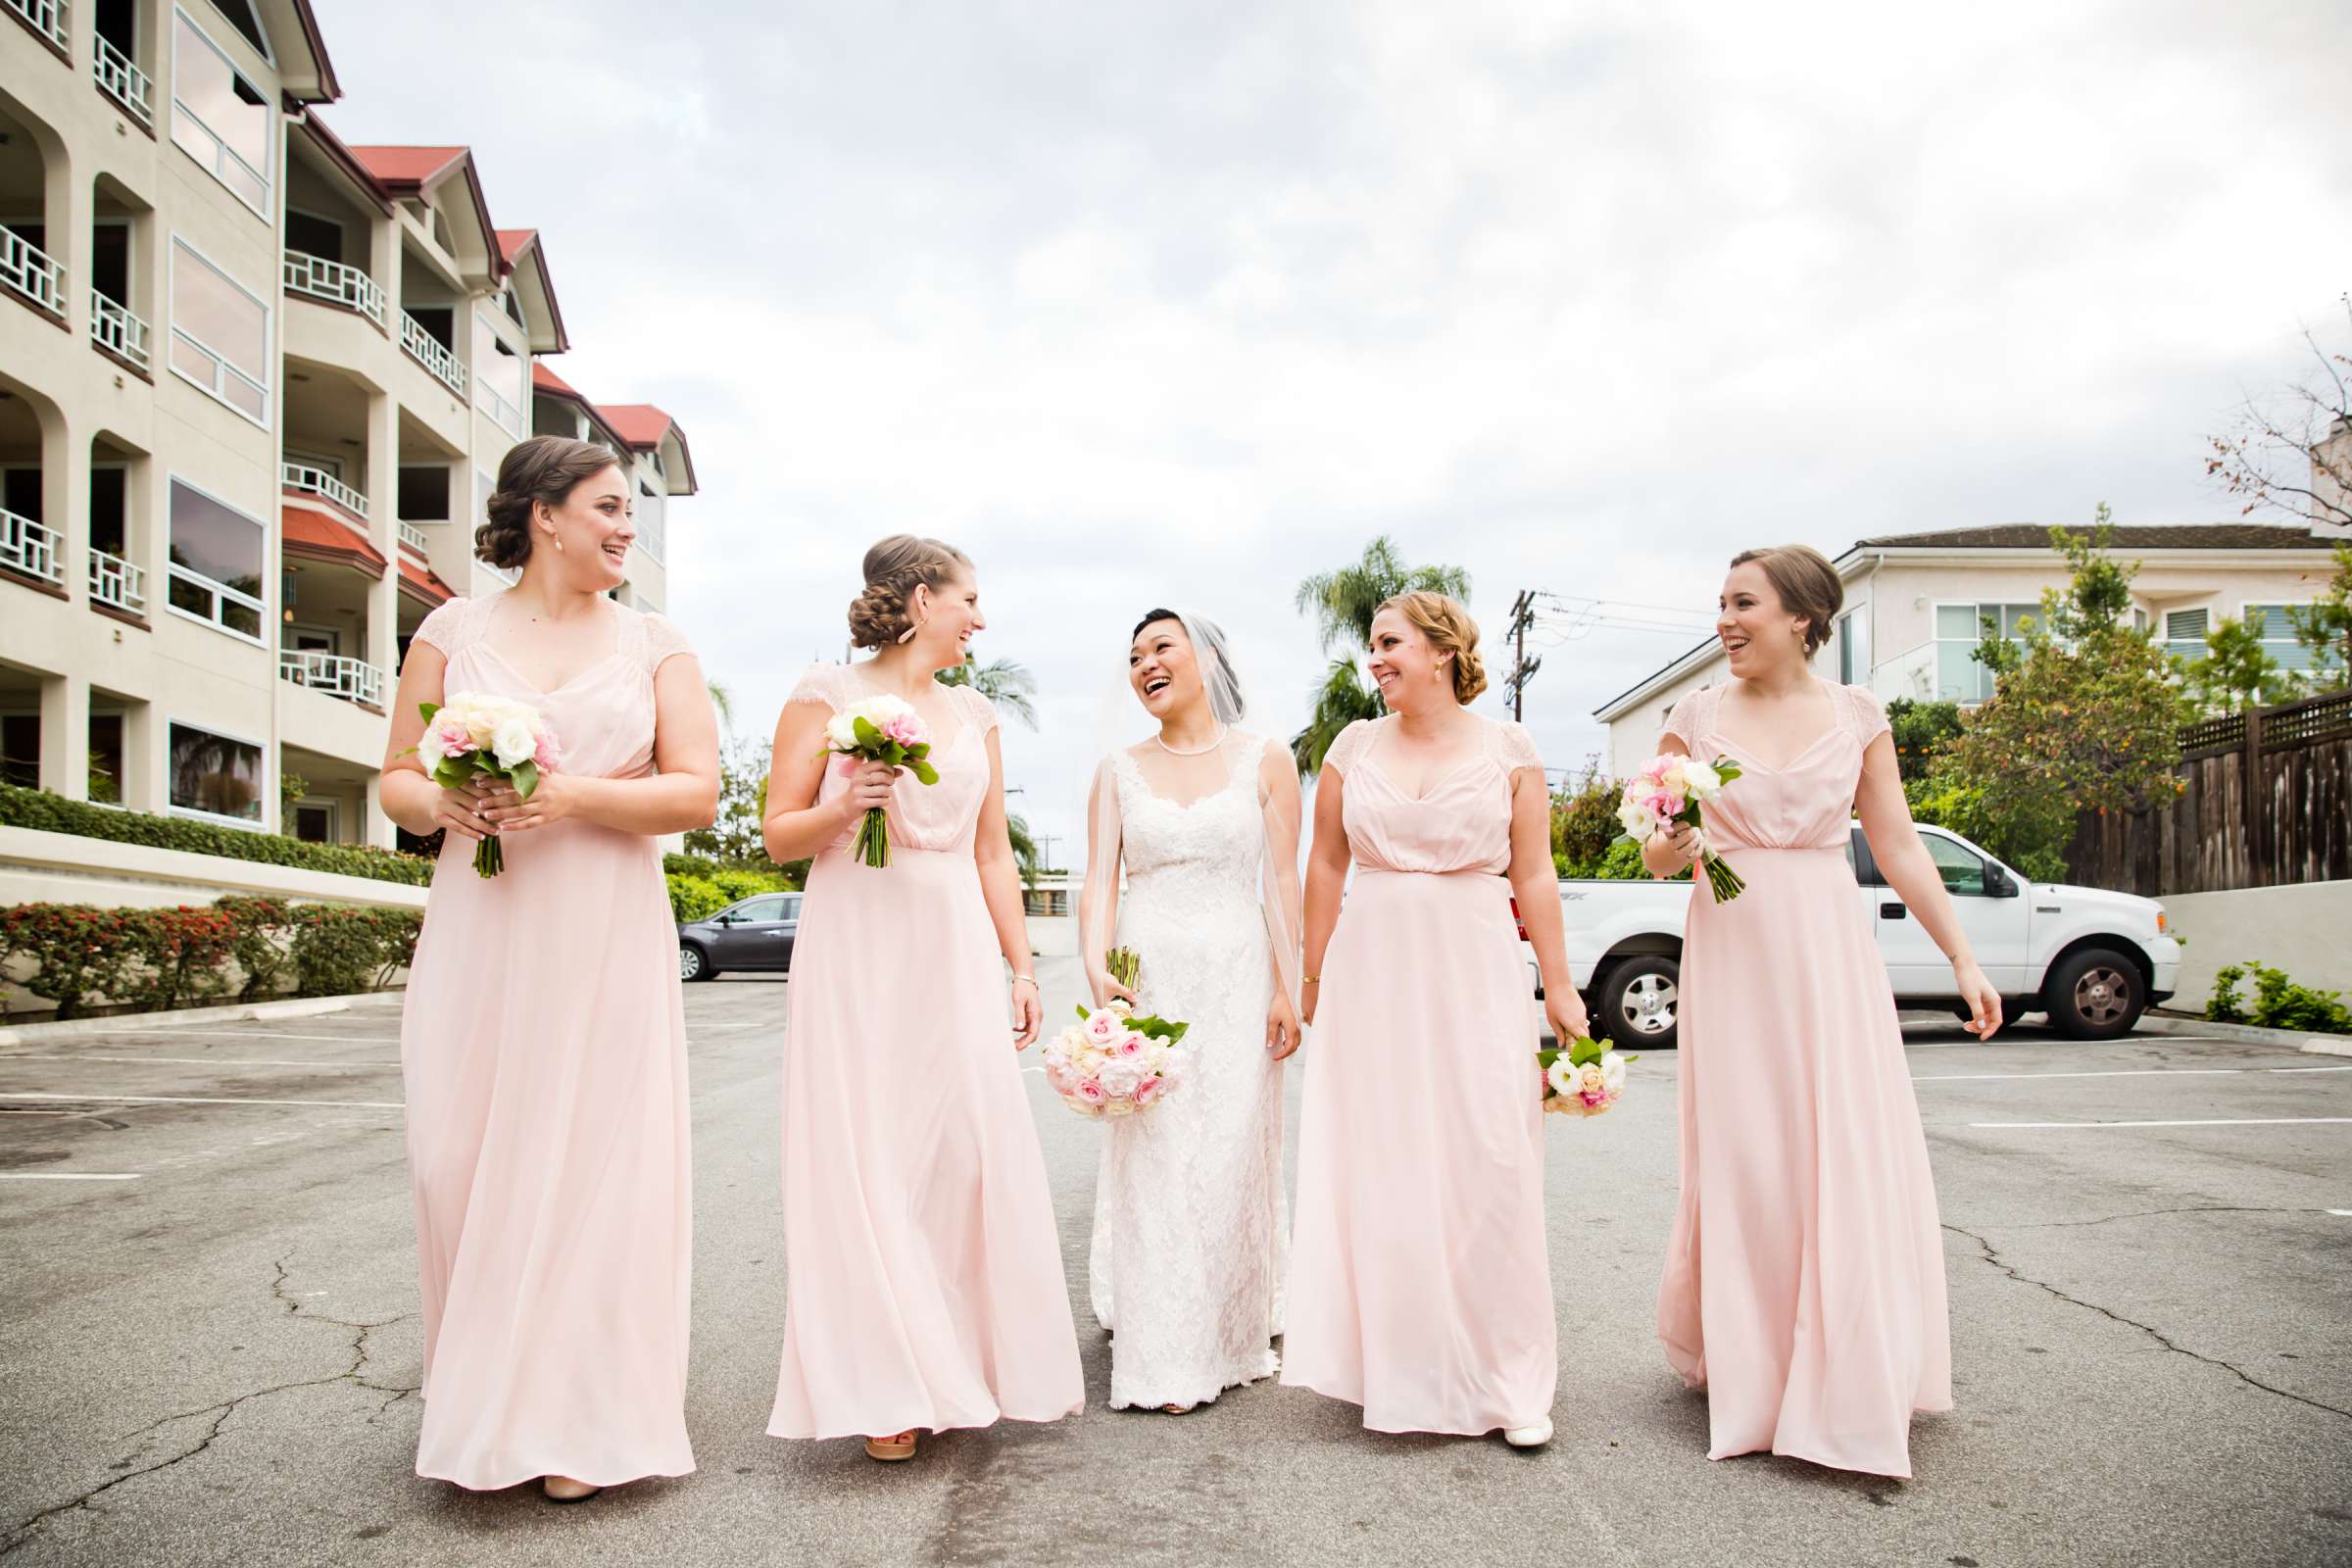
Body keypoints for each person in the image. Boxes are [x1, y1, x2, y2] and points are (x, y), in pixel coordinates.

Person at [382, 435, 719, 1501]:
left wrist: (571, 796)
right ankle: (484, 1398)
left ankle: (583, 1416)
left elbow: (695, 792)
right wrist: (444, 801)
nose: (627, 527)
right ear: (544, 513)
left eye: (631, 511)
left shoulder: (656, 641)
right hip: (482, 917)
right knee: (460, 1153)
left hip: (604, 922)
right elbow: (393, 774)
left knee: (593, 1160)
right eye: (612, 506)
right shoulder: (451, 630)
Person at [1648, 544, 2001, 1479]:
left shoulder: (1857, 716)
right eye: (1720, 603)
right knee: (1750, 1152)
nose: (1724, 620)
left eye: (1744, 604)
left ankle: (1840, 1367)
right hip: (1729, 945)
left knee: (1834, 1147)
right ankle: (1754, 1371)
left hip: (1825, 950)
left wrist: (1962, 956)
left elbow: (1897, 844)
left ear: (1802, 618)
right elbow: (1657, 860)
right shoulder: (1693, 716)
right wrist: (1674, 833)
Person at [761, 534, 1083, 1462]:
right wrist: (849, 802)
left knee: (960, 1151)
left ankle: (956, 1354)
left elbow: (992, 853)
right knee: (869, 1147)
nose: (980, 618)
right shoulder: (827, 693)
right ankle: (884, 1381)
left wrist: (1021, 967)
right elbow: (781, 834)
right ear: (917, 597)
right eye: (969, 598)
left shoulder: (978, 712)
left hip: (951, 943)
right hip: (858, 935)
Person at [1283, 592, 1585, 1446]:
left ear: (1442, 649)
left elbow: (1537, 876)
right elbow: (1327, 863)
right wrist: (1310, 974)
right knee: (1383, 1157)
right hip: (1371, 972)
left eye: (1389, 643)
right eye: (1372, 646)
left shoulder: (1509, 749)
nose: (1375, 659)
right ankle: (1396, 1364)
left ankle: (1508, 1379)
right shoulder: (1352, 746)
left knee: (1488, 1158)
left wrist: (1559, 989)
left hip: (1476, 965)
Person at [1078, 609, 1303, 1413]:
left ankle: (1227, 1323)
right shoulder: (1118, 768)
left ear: (1206, 657)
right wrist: (1101, 970)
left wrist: (1290, 985)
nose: (1144, 664)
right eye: (1133, 655)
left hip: (1239, 968)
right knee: (1159, 1147)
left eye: (1160, 648)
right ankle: (1166, 1344)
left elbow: (1282, 883)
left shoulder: (1266, 760)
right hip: (1149, 971)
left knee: (1231, 1142)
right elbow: (1100, 881)